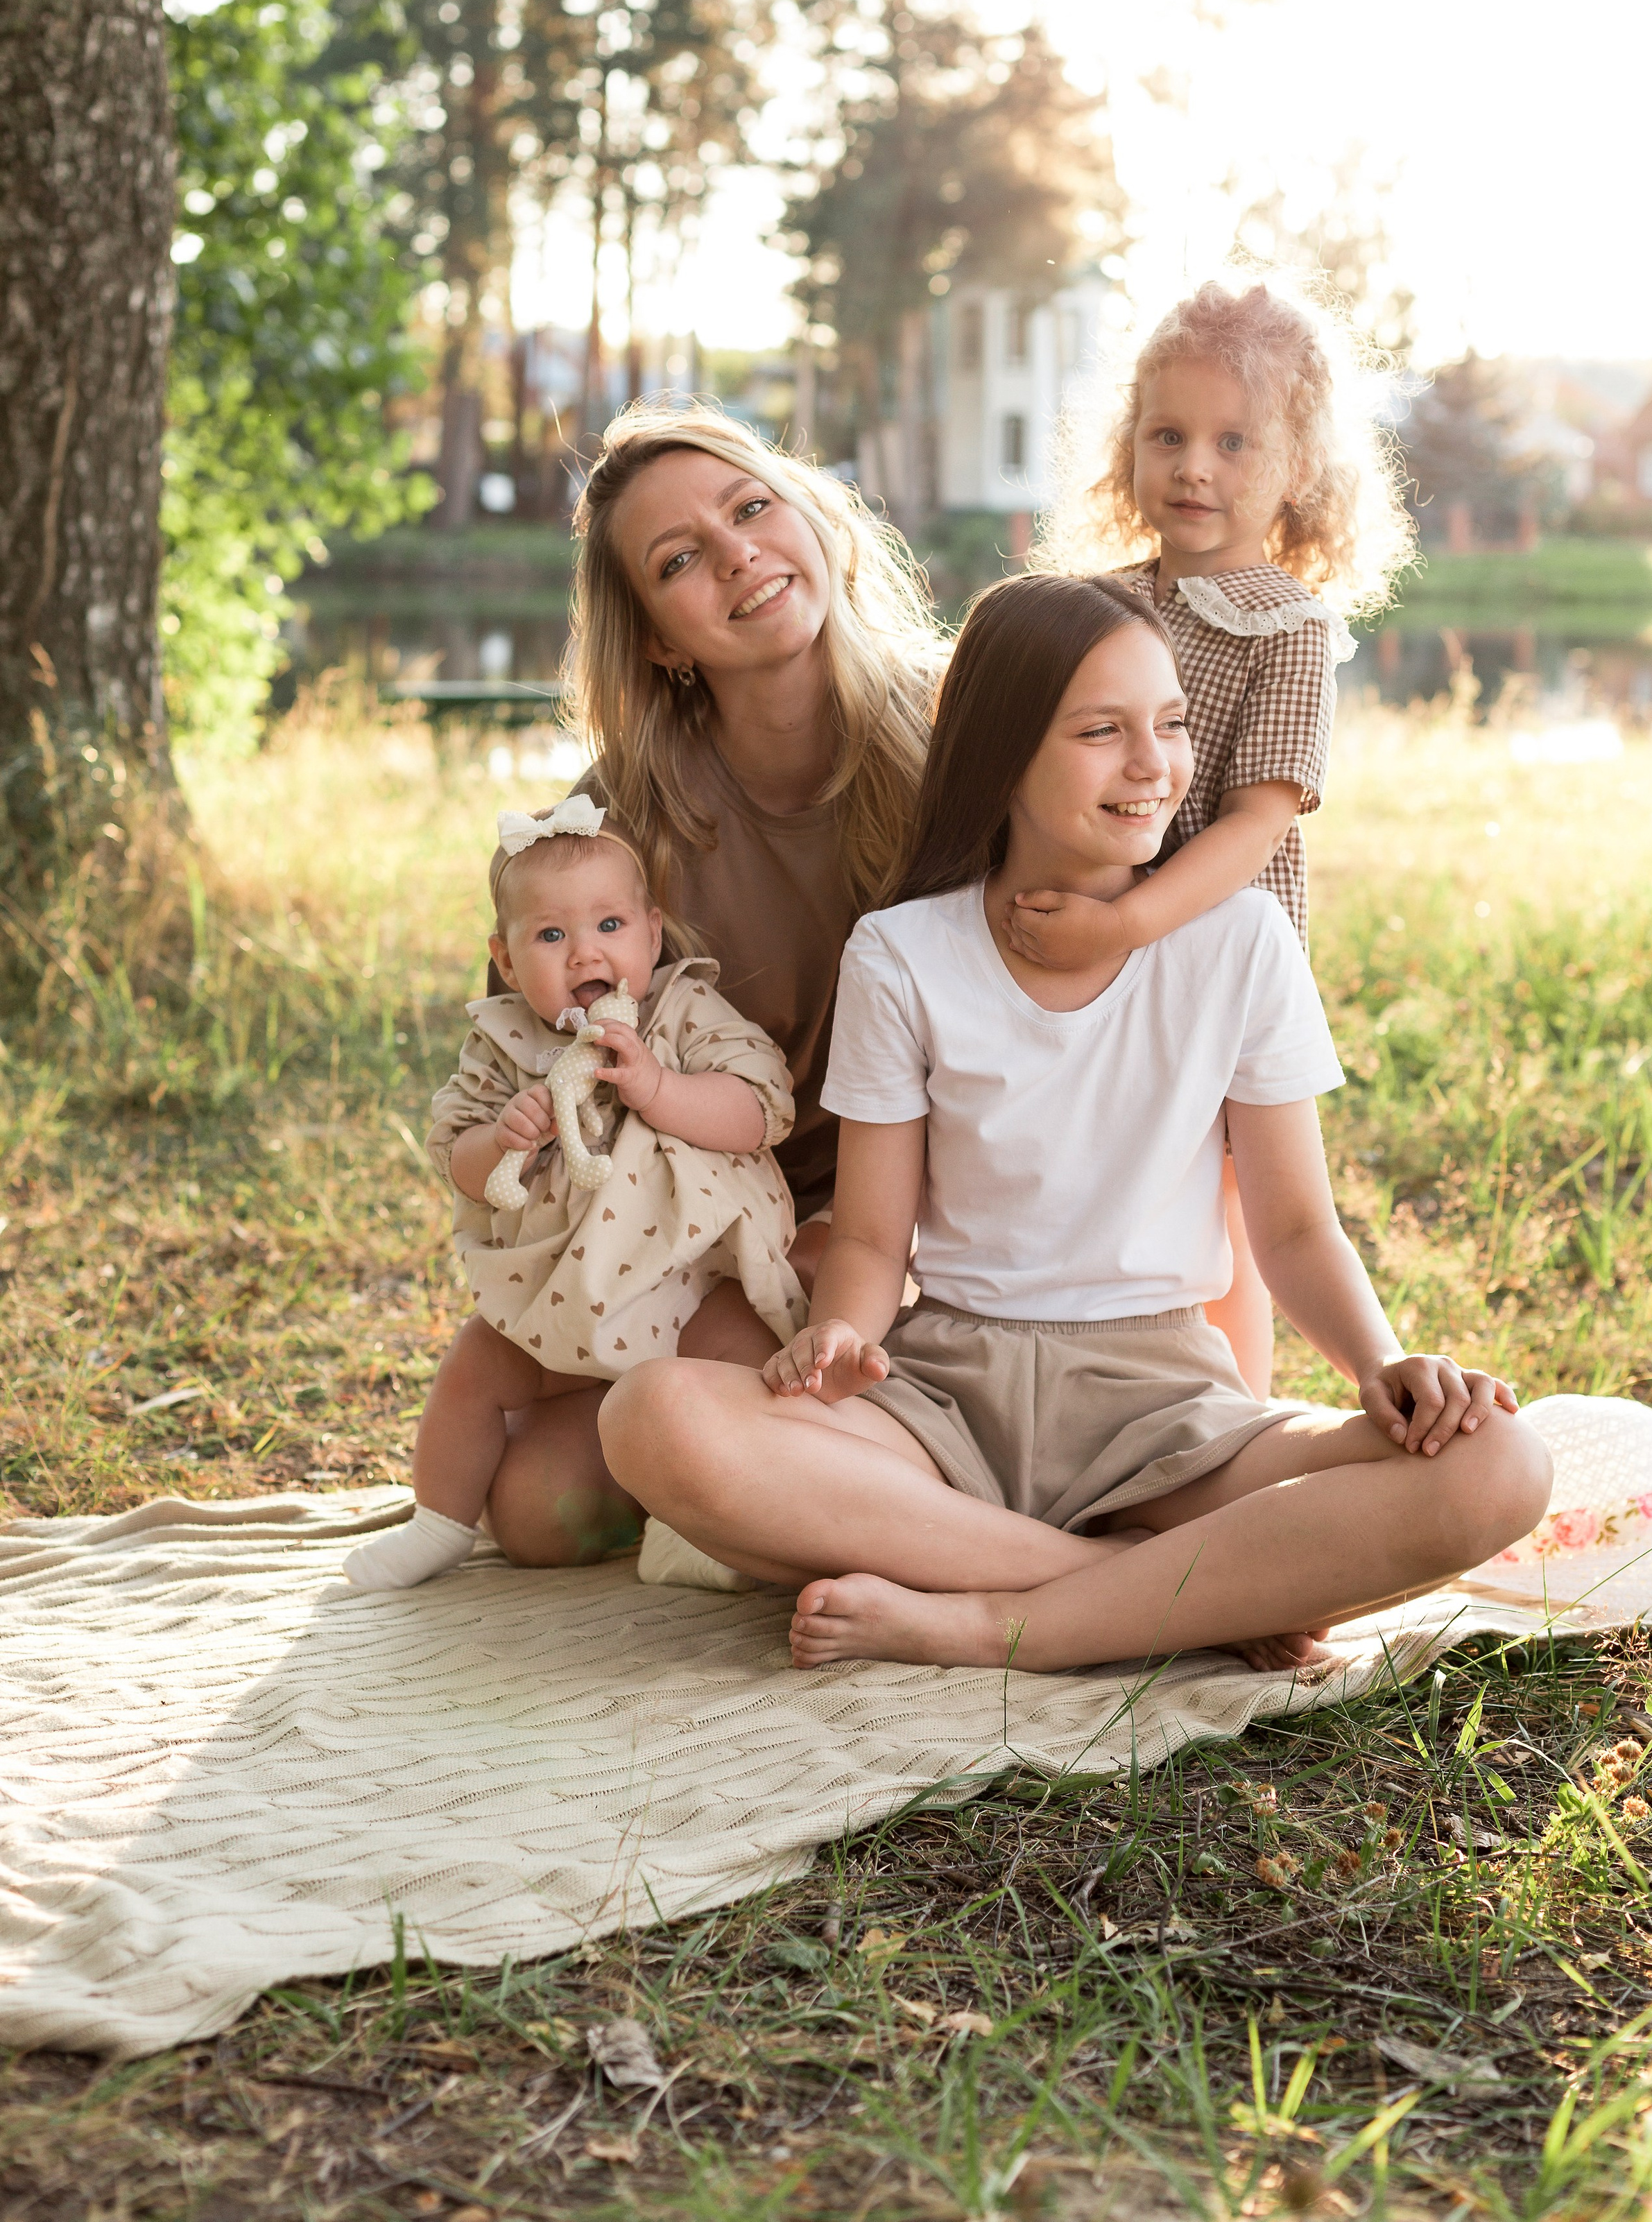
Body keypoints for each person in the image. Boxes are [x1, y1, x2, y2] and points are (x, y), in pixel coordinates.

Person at [598, 573, 1551, 1673]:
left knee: (1498, 1467)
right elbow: (869, 1239)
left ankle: (991, 1618)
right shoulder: (905, 954)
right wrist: (844, 1336)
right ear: (1002, 753)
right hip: (944, 1402)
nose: (1153, 765)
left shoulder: (1239, 943)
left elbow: (1294, 1232)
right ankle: (1143, 1589)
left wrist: (1383, 1364)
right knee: (654, 1419)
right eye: (1103, 731)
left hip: (1168, 1417)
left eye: (1172, 724)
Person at [483, 403, 942, 1567]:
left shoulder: (963, 737)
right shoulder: (620, 820)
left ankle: (868, 1502)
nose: (739, 555)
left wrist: (856, 1234)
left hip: (929, 1219)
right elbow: (539, 1051)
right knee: (540, 1514)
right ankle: (732, 1449)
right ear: (659, 642)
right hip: (702, 1227)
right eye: (680, 560)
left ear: (814, 521)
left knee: (760, 1480)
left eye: (751, 508)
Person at [1018, 279, 1415, 1396]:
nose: (1195, 466)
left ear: (1298, 468)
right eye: (1168, 436)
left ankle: (1231, 1414)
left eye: (1234, 442)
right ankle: (1105, 1389)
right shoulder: (1095, 604)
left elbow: (1258, 819)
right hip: (1099, 945)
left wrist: (1130, 919)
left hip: (1214, 949)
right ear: (1128, 450)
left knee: (1234, 1195)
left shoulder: (1289, 627)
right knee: (1128, 1172)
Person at [343, 802, 802, 1591]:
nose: (585, 950)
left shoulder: (682, 1012)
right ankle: (439, 1520)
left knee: (747, 1367)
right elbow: (455, 1151)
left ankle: (698, 1525)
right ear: (509, 960)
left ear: (653, 935)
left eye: (610, 925)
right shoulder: (505, 1041)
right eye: (551, 935)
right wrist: (504, 1137)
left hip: (690, 1280)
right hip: (559, 1296)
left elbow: (762, 1109)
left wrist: (658, 1088)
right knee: (473, 1367)